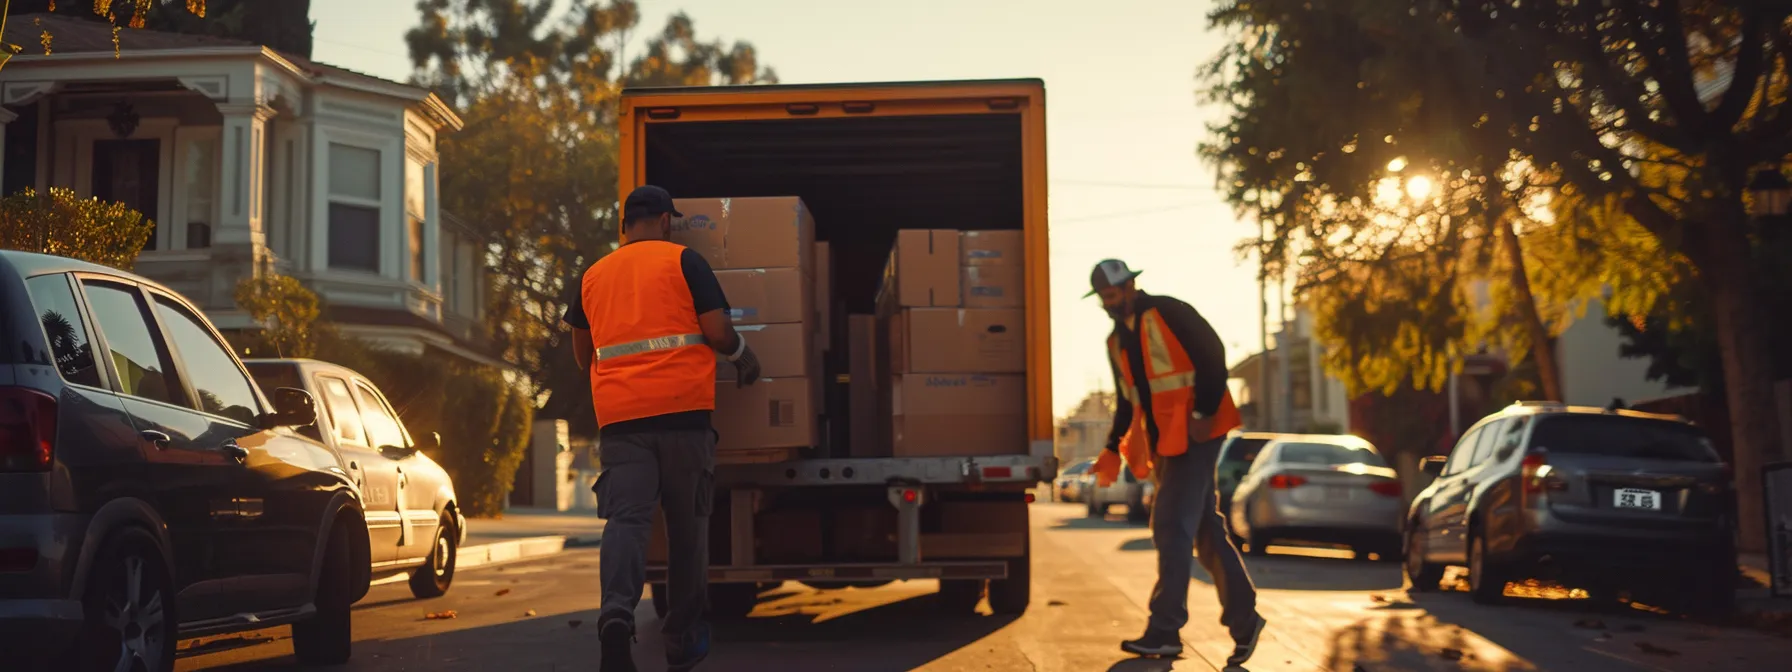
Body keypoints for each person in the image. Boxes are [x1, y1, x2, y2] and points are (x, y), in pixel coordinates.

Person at [564, 185, 762, 672]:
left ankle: (615, 616)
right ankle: (683, 637)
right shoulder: (685, 263)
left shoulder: (592, 276)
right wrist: (742, 356)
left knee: (626, 522)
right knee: (686, 530)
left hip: (622, 424)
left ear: (625, 225)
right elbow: (716, 332)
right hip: (683, 420)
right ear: (667, 221)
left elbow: (582, 353)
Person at [1087, 258, 1267, 665]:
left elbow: (1212, 355)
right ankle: (1245, 620)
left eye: (1112, 295)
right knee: (1203, 530)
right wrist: (1112, 446)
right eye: (1102, 298)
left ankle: (1165, 629)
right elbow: (1126, 401)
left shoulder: (1168, 311)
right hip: (1164, 442)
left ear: (1130, 287)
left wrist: (1203, 414)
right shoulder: (1116, 341)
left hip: (1198, 432)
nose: (1108, 303)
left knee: (1170, 525)